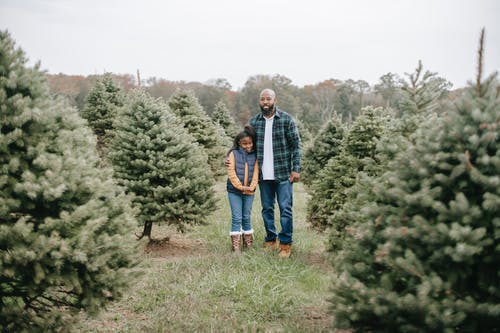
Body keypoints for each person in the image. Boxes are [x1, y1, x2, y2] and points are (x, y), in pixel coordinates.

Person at [250, 88, 301, 258]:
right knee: (267, 208)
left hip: (283, 174)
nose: (265, 102)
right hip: (264, 175)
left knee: (285, 209)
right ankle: (271, 239)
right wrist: (230, 156)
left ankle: (285, 244)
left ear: (274, 100)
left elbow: (296, 146)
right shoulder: (254, 122)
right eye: (262, 99)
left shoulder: (286, 120)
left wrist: (296, 169)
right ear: (259, 101)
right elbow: (244, 145)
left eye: (268, 99)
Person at [226, 125, 259, 252]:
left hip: (250, 192)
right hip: (234, 191)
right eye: (244, 143)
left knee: (246, 216)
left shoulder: (255, 155)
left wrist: (252, 187)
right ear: (239, 143)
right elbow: (231, 173)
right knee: (237, 217)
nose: (248, 146)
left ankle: (248, 243)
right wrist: (240, 187)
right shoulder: (233, 154)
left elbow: (256, 172)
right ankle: (236, 246)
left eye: (250, 143)